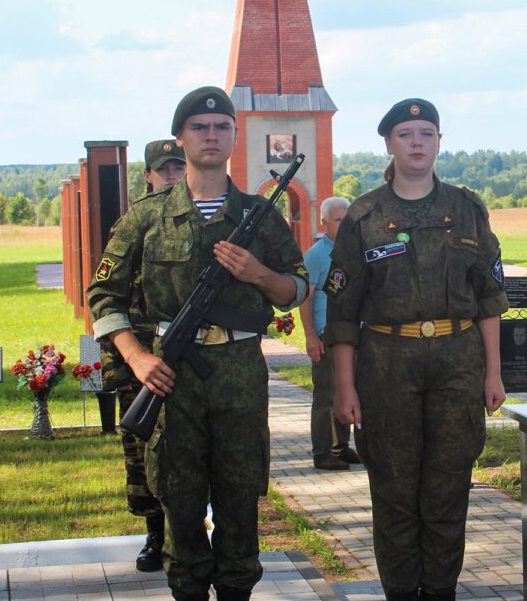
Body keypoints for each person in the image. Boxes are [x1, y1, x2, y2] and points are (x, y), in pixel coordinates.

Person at [88, 86, 309, 601]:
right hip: (171, 376)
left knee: (239, 499)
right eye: (199, 127)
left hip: (238, 375)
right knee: (179, 502)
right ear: (180, 138)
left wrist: (257, 273)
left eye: (221, 127)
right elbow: (104, 293)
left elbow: (295, 288)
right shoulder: (146, 216)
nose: (211, 135)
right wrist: (138, 358)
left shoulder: (260, 214)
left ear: (234, 136)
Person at [323, 98, 508, 601]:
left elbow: (490, 299)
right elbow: (342, 311)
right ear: (389, 144)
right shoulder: (363, 215)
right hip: (387, 365)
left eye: (427, 133)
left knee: (448, 491)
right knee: (394, 494)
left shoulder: (467, 210)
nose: (417, 143)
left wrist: (493, 373)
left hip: (457, 363)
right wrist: (345, 387)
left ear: (439, 142)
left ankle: (442, 592)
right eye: (406, 134)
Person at [99, 139, 186, 572]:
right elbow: (106, 294)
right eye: (163, 169)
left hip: (186, 354)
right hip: (141, 358)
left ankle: (185, 532)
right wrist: (130, 357)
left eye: (178, 167)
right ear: (147, 176)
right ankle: (155, 531)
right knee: (141, 446)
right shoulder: (131, 226)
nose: (172, 175)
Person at [296, 196, 360, 471]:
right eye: (338, 220)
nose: (344, 225)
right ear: (324, 222)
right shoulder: (317, 255)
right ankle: (322, 454)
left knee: (347, 392)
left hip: (353, 335)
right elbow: (304, 299)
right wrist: (311, 337)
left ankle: (341, 448)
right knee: (326, 396)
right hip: (326, 337)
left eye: (347, 220)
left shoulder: (353, 250)